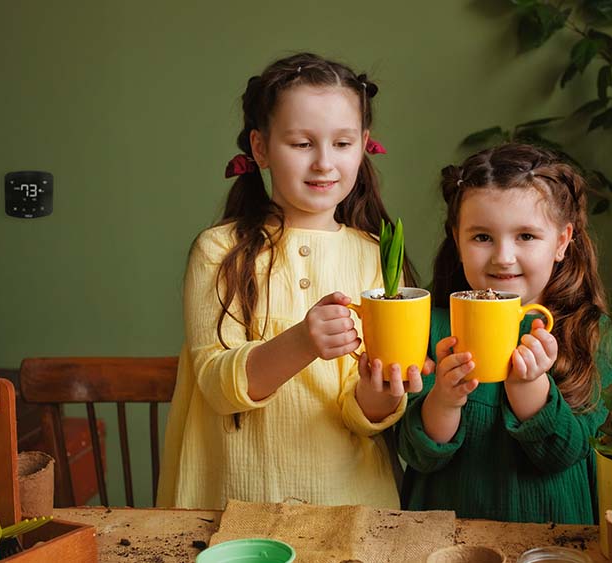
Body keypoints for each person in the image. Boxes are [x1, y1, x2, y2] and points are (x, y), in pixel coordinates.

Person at [156, 53, 426, 511]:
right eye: (302, 143)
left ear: (363, 145)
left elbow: (361, 416)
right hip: (232, 506)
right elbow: (218, 387)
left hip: (349, 504)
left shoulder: (376, 256)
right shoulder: (219, 250)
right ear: (260, 148)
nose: (324, 162)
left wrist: (380, 395)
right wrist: (302, 341)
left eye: (342, 143)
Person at [397, 143, 612, 524]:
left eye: (526, 236)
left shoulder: (589, 332)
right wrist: (445, 401)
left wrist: (530, 388)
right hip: (443, 538)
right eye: (482, 237)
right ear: (457, 240)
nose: (503, 256)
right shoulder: (430, 327)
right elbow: (418, 454)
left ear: (561, 241)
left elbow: (564, 454)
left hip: (551, 537)